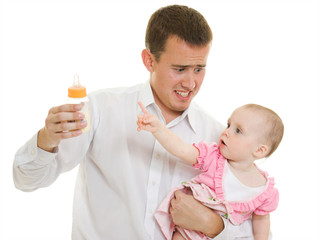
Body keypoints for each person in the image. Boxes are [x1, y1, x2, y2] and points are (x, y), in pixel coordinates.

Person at [13, 4, 253, 239]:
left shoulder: (218, 137)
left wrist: (214, 226)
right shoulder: (100, 109)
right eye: (179, 69)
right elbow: (25, 180)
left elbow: (255, 227)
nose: (191, 83)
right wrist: (47, 138)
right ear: (149, 60)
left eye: (199, 69)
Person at [137, 102, 284, 240]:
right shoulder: (213, 157)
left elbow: (262, 220)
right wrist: (158, 129)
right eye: (228, 125)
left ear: (259, 150)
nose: (226, 132)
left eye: (238, 130)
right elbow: (181, 149)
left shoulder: (265, 192)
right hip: (188, 232)